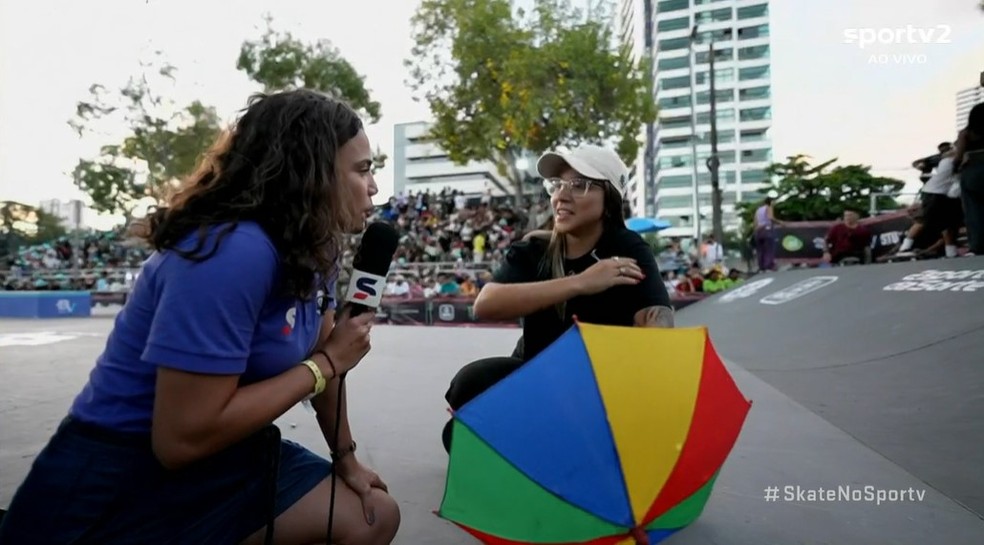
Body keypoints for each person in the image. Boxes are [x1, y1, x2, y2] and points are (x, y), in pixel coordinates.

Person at [0, 90, 400, 545]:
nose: (373, 187)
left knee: (372, 515)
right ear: (310, 172)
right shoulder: (233, 251)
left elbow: (325, 356)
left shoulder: (317, 246)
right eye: (362, 169)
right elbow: (180, 441)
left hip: (229, 454)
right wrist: (326, 366)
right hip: (121, 473)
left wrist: (345, 457)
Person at [441, 144, 674, 452]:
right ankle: (540, 444)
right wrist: (580, 282)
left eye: (579, 185)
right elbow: (486, 303)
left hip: (598, 388)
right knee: (469, 386)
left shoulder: (627, 249)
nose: (561, 195)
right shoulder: (534, 249)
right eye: (557, 185)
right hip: (539, 377)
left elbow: (658, 324)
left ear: (609, 200)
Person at [956, 104, 984, 254]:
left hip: (974, 169)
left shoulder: (966, 133)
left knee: (974, 211)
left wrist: (956, 167)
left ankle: (978, 247)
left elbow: (958, 156)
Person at [753, 196, 784, 272]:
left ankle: (761, 267)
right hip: (767, 230)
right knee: (769, 249)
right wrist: (780, 222)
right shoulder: (769, 207)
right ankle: (768, 266)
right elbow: (770, 217)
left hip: (759, 231)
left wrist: (756, 231)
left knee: (761, 250)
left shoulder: (758, 210)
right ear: (771, 202)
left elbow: (755, 222)